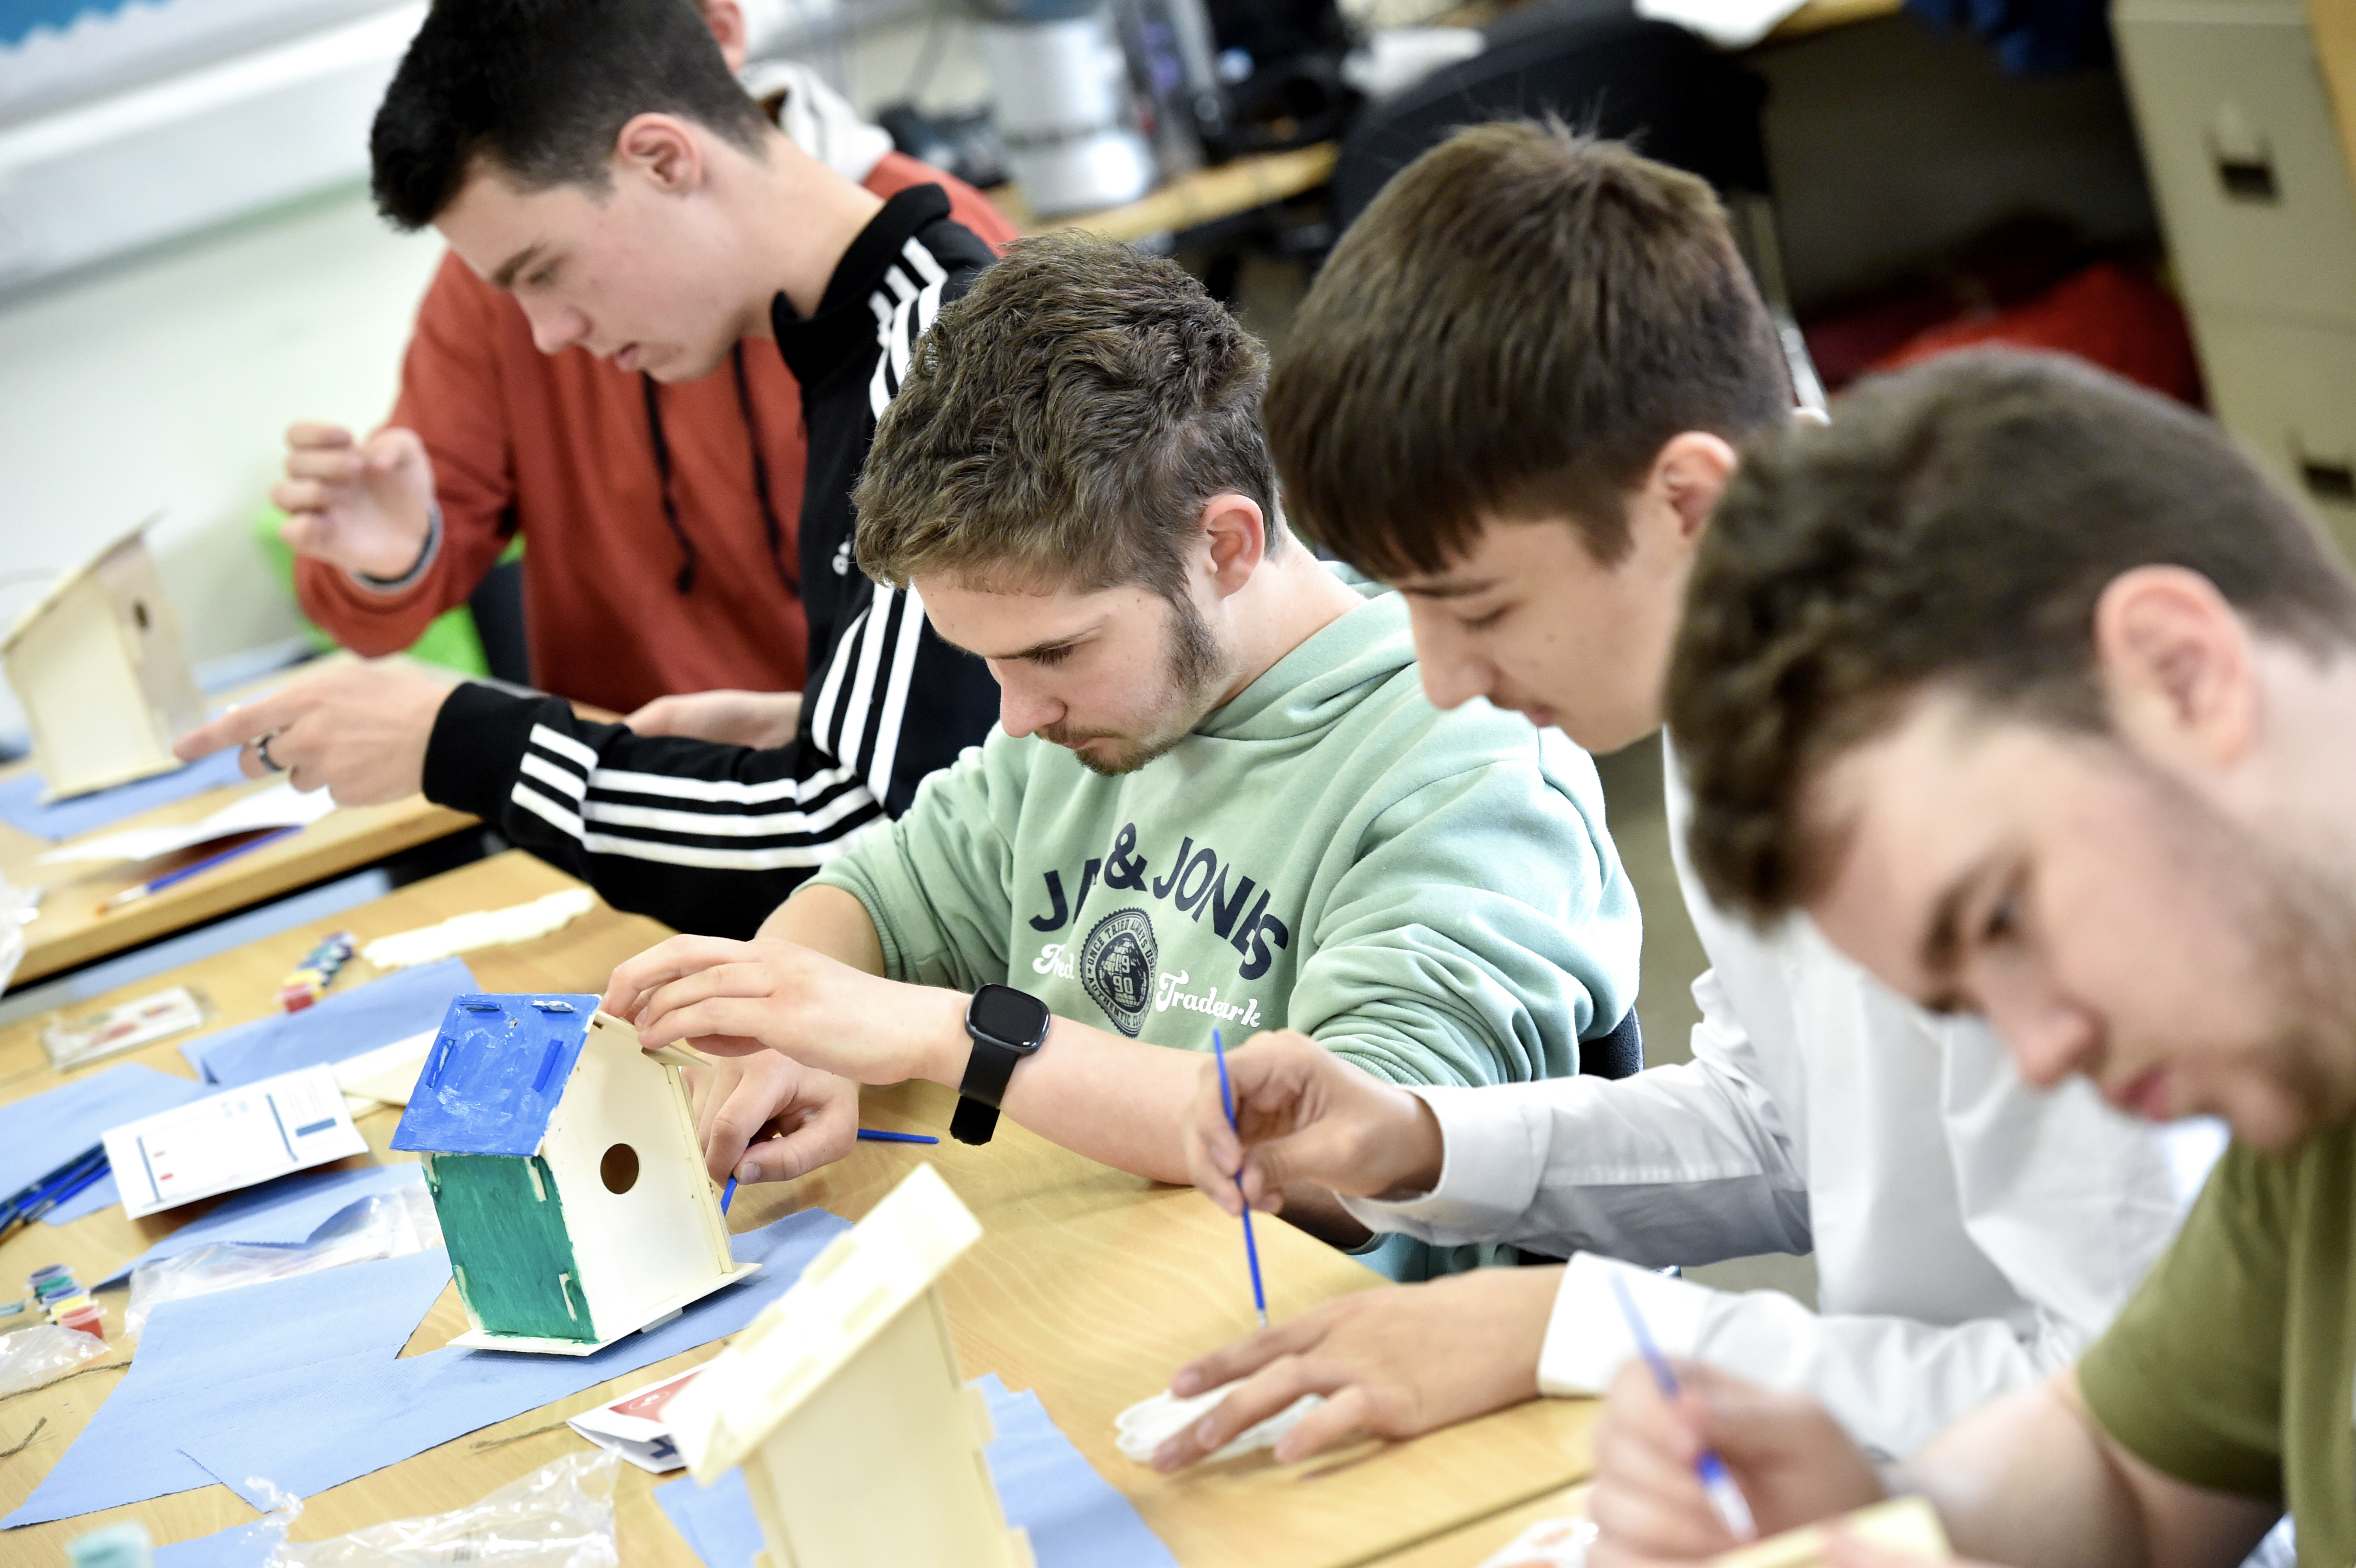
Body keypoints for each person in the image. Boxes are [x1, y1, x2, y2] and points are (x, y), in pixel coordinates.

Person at [1147, 123, 2186, 1470]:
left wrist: (1582, 1332)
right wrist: (1415, 1139)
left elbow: (2142, 1416)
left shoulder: (1994, 783)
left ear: (1688, 502)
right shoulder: (1735, 659)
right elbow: (1786, 1130)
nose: (1443, 679)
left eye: (1479, 605)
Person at [598, 231, 1645, 1281]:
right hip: (1117, 1298)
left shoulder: (1464, 772)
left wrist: (962, 1038)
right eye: (989, 661)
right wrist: (791, 1024)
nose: (1015, 715)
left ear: (1224, 546)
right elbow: (879, 891)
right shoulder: (1098, 719)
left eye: (1055, 649)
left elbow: (1347, 1161)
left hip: (1356, 1369)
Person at [1578, 348, 2356, 1566]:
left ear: (2179, 671)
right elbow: (2126, 1473)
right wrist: (1887, 1517)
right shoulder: (2309, 1079)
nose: (2039, 1053)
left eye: (2002, 917)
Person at [174, 0, 1003, 938]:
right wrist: (813, 720)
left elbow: (864, 846)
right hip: (702, 835)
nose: (548, 334)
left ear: (661, 157)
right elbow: (951, 759)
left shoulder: (945, 359)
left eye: (546, 269)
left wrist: (461, 741)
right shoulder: (863, 328)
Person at [277, 0, 1019, 723]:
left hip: (834, 798)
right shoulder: (508, 278)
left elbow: (960, 722)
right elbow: (374, 608)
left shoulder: (937, 291)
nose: (547, 334)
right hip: (637, 798)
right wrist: (393, 558)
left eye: (544, 272)